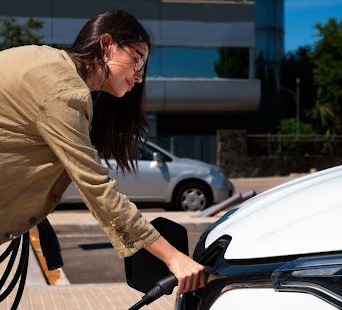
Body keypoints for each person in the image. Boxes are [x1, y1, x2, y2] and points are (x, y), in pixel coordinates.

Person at [0, 10, 206, 295]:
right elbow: (98, 189)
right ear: (106, 44)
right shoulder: (64, 92)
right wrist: (173, 258)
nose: (140, 75)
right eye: (137, 58)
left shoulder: (46, 61)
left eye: (144, 64)